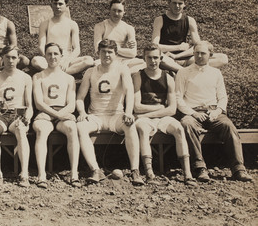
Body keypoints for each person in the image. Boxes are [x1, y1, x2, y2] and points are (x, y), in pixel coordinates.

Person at [176, 41, 252, 182]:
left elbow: (222, 97)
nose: (199, 56)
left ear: (210, 55)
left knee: (228, 127)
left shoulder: (216, 73)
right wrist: (193, 113)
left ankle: (238, 169)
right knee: (187, 124)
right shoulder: (183, 72)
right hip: (192, 113)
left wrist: (216, 112)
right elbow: (178, 98)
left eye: (203, 53)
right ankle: (200, 169)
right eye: (196, 53)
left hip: (213, 112)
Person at [76, 39, 144, 186]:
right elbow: (80, 97)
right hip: (96, 116)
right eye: (103, 52)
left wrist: (128, 112)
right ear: (98, 53)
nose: (106, 55)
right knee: (80, 127)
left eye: (110, 52)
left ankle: (135, 170)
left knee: (130, 125)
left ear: (116, 53)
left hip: (116, 115)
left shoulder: (122, 69)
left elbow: (129, 92)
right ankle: (95, 170)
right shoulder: (90, 71)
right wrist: (81, 112)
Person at [132, 43, 195, 185]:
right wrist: (159, 107)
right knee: (143, 129)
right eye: (149, 58)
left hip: (160, 117)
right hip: (146, 119)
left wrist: (147, 113)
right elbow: (137, 107)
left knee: (179, 129)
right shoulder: (138, 76)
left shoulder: (168, 78)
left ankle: (187, 173)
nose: (153, 61)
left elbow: (172, 109)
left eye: (156, 58)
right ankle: (149, 174)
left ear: (161, 58)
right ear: (144, 58)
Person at [32, 42, 81, 188]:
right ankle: (41, 175)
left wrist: (61, 115)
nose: (52, 57)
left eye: (55, 54)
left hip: (63, 112)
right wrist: (57, 116)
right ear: (45, 56)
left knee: (72, 128)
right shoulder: (38, 76)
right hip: (45, 113)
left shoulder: (69, 78)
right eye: (49, 54)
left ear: (61, 56)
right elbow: (39, 103)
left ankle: (74, 173)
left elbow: (71, 105)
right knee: (41, 129)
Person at [0, 45, 33, 187]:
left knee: (20, 130)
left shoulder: (25, 78)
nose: (10, 60)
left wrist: (28, 117)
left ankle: (24, 173)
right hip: (1, 114)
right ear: (2, 59)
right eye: (7, 57)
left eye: (14, 57)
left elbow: (29, 104)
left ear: (18, 59)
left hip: (17, 114)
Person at [152, 0, 228, 72]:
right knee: (158, 56)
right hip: (166, 57)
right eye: (174, 3)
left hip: (186, 58)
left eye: (180, 3)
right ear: (169, 3)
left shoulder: (190, 20)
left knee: (223, 58)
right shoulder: (160, 20)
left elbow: (197, 46)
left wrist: (177, 56)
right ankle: (185, 72)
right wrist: (178, 47)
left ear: (184, 4)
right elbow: (154, 46)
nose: (177, 6)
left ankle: (181, 70)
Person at [31, 0, 94, 75]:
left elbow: (77, 48)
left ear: (66, 6)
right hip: (51, 56)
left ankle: (55, 72)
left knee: (88, 60)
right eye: (55, 4)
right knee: (35, 61)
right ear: (51, 5)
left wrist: (66, 61)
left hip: (66, 57)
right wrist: (48, 57)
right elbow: (41, 46)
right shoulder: (45, 24)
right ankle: (63, 72)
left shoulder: (72, 24)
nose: (57, 7)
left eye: (60, 4)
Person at [93, 0, 145, 73]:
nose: (116, 13)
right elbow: (98, 49)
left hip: (124, 60)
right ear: (109, 10)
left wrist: (113, 48)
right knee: (95, 64)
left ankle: (121, 72)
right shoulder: (100, 26)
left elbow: (133, 53)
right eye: (114, 10)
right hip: (107, 59)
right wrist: (120, 49)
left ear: (124, 12)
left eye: (119, 11)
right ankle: (122, 72)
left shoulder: (129, 28)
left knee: (143, 64)